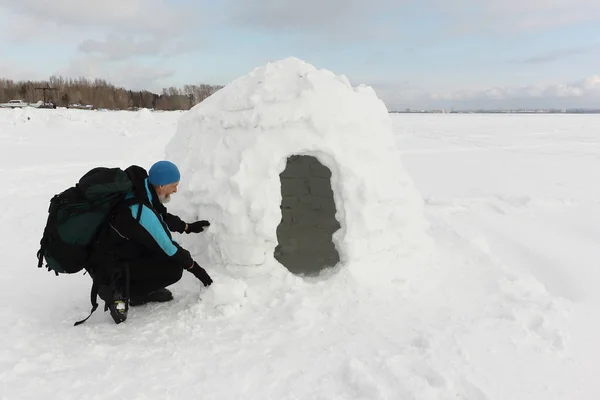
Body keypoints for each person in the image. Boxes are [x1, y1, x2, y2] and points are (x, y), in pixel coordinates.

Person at [90, 161, 213, 324]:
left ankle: (141, 291)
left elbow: (161, 215)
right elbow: (169, 248)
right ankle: (118, 293)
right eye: (174, 186)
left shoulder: (142, 187)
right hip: (107, 265)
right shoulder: (140, 209)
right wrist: (198, 271)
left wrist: (187, 227)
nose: (176, 190)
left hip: (117, 251)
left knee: (154, 250)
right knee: (174, 268)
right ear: (161, 186)